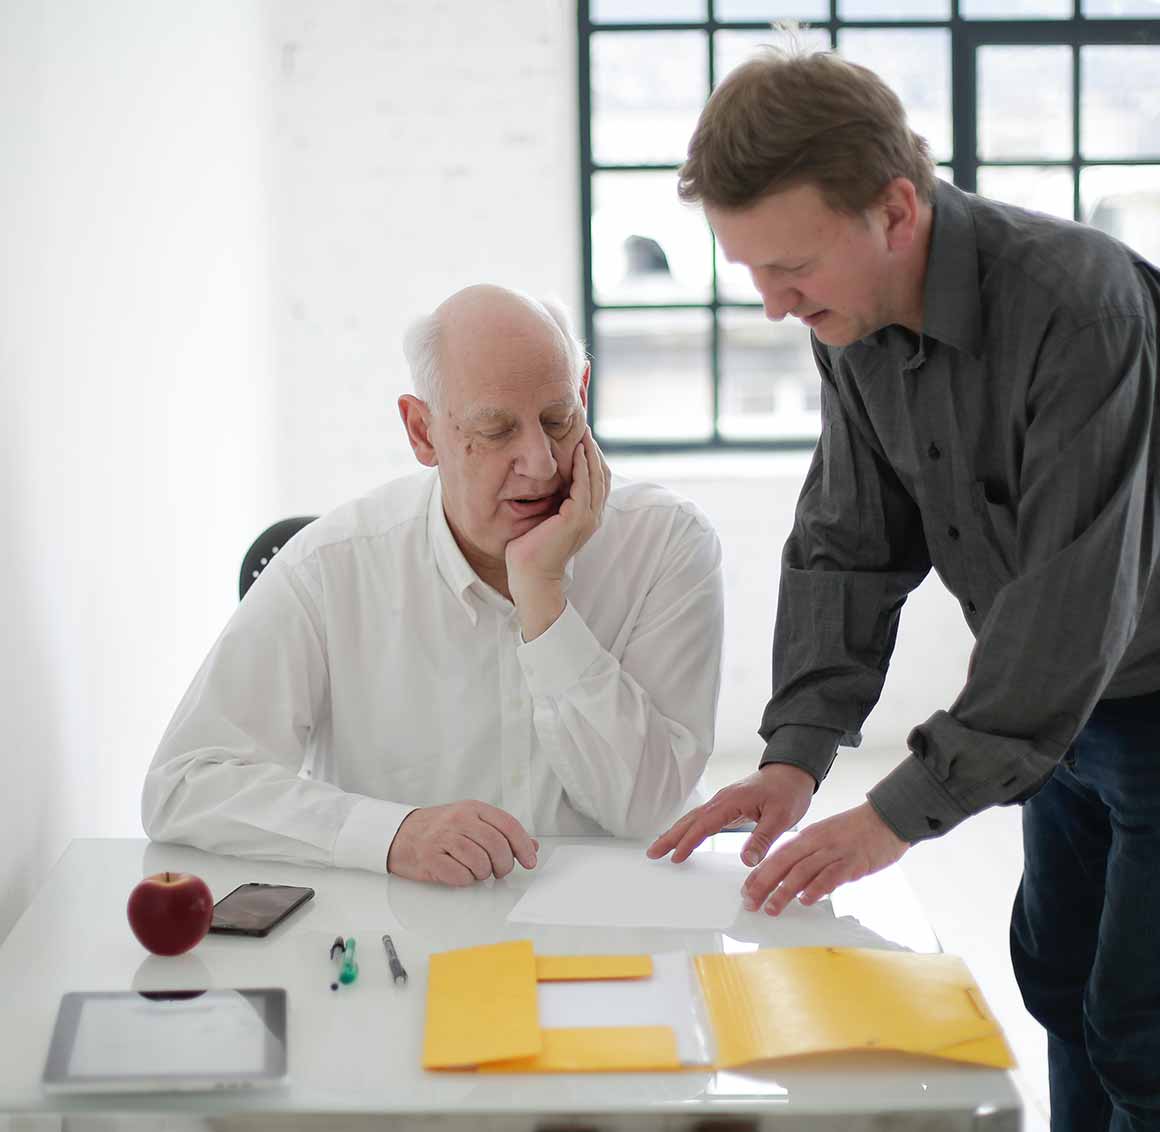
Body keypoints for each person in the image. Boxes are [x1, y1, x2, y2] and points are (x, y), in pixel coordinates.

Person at [646, 44, 1160, 1132]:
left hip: (1141, 692)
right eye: (748, 273)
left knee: (1141, 1023)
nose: (773, 306)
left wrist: (896, 813)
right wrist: (794, 753)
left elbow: (1072, 601)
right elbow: (848, 539)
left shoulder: (1082, 310)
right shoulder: (854, 322)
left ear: (893, 207)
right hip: (1049, 719)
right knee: (1060, 978)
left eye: (789, 269)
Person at [143, 284, 724, 888]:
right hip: (408, 938)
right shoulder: (331, 566)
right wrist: (392, 835)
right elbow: (186, 783)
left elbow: (646, 812)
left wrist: (543, 598)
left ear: (583, 397)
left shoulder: (667, 543)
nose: (542, 463)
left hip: (624, 925)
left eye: (559, 421)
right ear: (422, 432)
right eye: (496, 430)